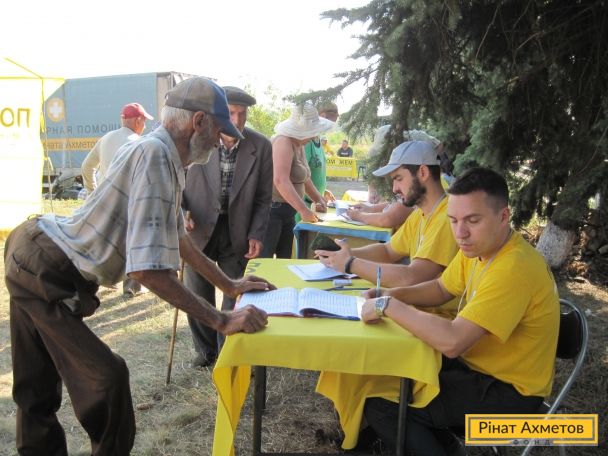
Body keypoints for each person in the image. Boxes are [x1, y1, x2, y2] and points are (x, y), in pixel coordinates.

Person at [4, 77, 273, 456]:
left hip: (37, 253)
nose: (220, 140)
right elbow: (147, 272)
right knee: (107, 381)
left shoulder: (165, 156)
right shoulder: (156, 155)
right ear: (198, 122)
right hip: (44, 265)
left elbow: (179, 240)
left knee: (37, 390)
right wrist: (222, 320)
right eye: (219, 129)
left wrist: (230, 285)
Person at [360, 167, 560, 455]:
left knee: (384, 406)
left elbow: (453, 341)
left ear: (503, 216)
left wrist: (387, 305)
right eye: (453, 220)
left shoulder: (513, 268)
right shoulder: (480, 248)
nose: (460, 233)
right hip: (477, 368)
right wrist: (391, 294)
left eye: (473, 220)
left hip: (510, 393)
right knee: (389, 372)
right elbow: (441, 288)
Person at [182, 86, 273, 367]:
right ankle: (206, 351)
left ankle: (227, 353)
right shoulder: (196, 138)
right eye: (231, 113)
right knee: (197, 293)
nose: (237, 119)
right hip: (198, 228)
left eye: (243, 114)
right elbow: (176, 182)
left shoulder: (261, 145)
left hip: (238, 229)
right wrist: (182, 210)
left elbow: (264, 198)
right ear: (219, 113)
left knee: (236, 292)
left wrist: (256, 233)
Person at [315, 141, 459, 317]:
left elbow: (412, 277)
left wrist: (350, 263)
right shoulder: (420, 214)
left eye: (399, 178)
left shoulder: (447, 217)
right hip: (417, 313)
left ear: (423, 172)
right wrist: (343, 254)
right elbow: (387, 251)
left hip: (440, 319)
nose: (394, 188)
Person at [81, 102, 154, 296]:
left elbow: (86, 167)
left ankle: (105, 280)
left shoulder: (105, 138)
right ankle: (132, 287)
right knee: (133, 243)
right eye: (144, 121)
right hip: (130, 200)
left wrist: (93, 192)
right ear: (137, 121)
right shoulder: (139, 142)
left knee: (107, 241)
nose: (145, 125)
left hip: (105, 200)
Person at [261, 102, 334, 258]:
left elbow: (304, 178)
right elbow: (280, 180)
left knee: (285, 259)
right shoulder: (283, 142)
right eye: (312, 132)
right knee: (265, 259)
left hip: (287, 212)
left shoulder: (298, 145)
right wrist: (304, 210)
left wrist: (319, 199)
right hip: (273, 212)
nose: (314, 136)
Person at [302, 102, 340, 215]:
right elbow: (302, 176)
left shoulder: (318, 139)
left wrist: (323, 191)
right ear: (322, 116)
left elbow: (316, 172)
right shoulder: (306, 141)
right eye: (331, 123)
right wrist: (317, 198)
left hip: (316, 202)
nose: (331, 127)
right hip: (306, 205)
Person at [346, 200, 413, 230]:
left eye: (399, 179)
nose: (394, 188)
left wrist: (358, 216)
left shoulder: (410, 199)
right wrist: (370, 209)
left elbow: (386, 219)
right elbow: (392, 203)